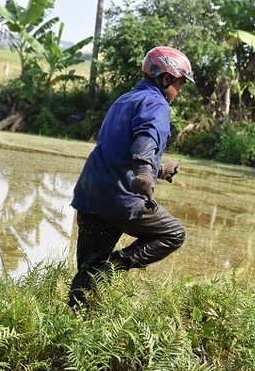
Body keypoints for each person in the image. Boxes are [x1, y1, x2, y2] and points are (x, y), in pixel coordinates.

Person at [68, 46, 194, 308]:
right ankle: (113, 267)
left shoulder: (124, 100)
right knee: (173, 234)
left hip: (90, 195)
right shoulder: (157, 103)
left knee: (87, 270)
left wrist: (159, 169)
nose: (178, 93)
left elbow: (119, 151)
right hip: (120, 198)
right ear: (166, 79)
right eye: (179, 85)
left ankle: (75, 322)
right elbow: (146, 137)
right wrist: (145, 172)